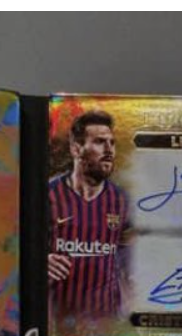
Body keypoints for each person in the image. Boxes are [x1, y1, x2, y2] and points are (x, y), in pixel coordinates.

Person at [48, 110, 130, 319]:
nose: (109, 150)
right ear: (76, 149)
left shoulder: (121, 201)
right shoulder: (48, 195)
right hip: (58, 321)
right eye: (100, 142)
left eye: (112, 143)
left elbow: (129, 264)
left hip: (105, 323)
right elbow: (12, 250)